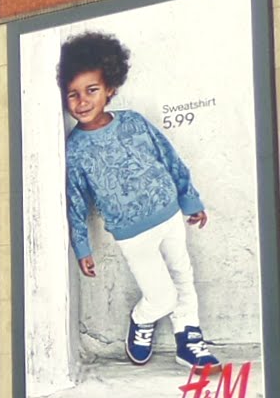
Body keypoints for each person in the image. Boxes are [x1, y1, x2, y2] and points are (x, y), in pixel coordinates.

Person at [60, 30, 218, 370]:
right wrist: (82, 248)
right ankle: (142, 318)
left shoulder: (133, 122)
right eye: (73, 95)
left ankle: (189, 341)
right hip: (132, 235)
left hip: (170, 215)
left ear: (110, 89)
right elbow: (74, 201)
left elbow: (168, 157)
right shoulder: (74, 150)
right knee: (162, 295)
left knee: (182, 277)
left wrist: (190, 200)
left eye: (92, 90)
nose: (82, 101)